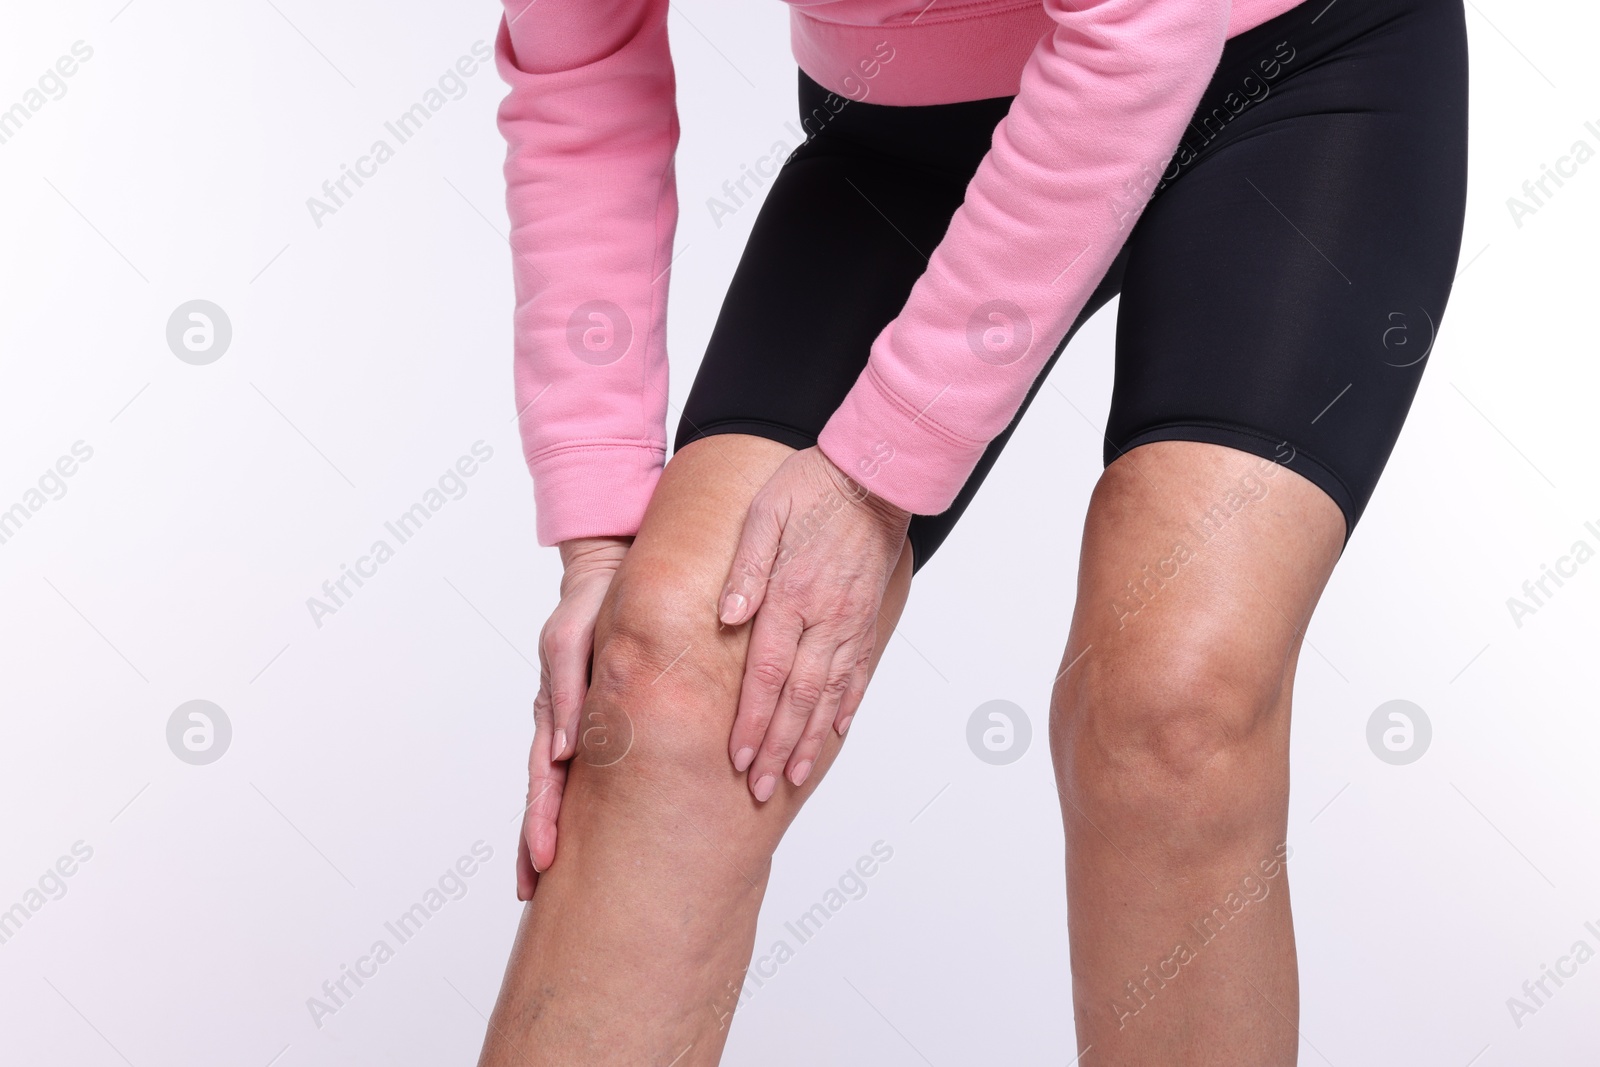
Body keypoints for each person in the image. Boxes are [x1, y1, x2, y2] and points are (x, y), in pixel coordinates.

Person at [477, 0, 1469, 1062]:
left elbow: (1137, 30)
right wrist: (599, 537)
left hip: (1287, 72)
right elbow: (579, 65)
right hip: (917, 125)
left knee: (1168, 710)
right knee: (663, 682)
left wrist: (873, 473)